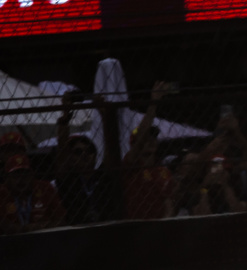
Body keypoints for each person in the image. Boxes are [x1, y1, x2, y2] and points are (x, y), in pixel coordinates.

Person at [54, 94, 123, 225]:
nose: (84, 154)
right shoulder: (69, 181)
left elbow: (111, 149)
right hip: (76, 231)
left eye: (90, 150)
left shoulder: (102, 176)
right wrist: (65, 115)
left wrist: (104, 116)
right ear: (71, 158)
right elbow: (62, 152)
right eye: (78, 152)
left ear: (95, 155)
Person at [121, 81, 175, 219]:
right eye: (146, 139)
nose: (150, 141)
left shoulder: (163, 170)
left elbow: (168, 202)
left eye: (153, 138)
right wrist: (154, 103)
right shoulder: (132, 165)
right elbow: (140, 139)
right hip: (137, 226)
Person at [0, 153, 66, 234]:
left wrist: (26, 228)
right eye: (16, 175)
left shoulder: (45, 188)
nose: (21, 180)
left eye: (25, 174)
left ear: (32, 175)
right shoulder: (2, 193)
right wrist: (36, 227)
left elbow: (61, 219)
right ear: (6, 178)